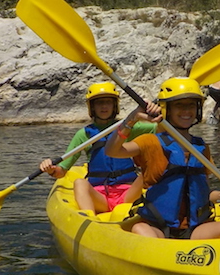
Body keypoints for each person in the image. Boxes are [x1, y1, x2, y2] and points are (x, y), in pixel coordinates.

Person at [105, 76, 220, 240]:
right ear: (167, 109)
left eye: (191, 105)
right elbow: (112, 150)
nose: (186, 111)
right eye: (179, 105)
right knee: (140, 229)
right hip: (159, 228)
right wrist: (132, 118)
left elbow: (202, 194)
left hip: (195, 230)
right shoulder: (151, 142)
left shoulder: (201, 148)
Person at [39, 82, 155, 214]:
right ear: (92, 107)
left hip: (129, 193)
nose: (104, 106)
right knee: (79, 182)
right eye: (99, 103)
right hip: (100, 197)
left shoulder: (128, 127)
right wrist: (50, 168)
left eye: (108, 102)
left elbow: (161, 127)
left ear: (114, 106)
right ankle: (88, 218)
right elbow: (61, 171)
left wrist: (153, 110)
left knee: (150, 166)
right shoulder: (84, 135)